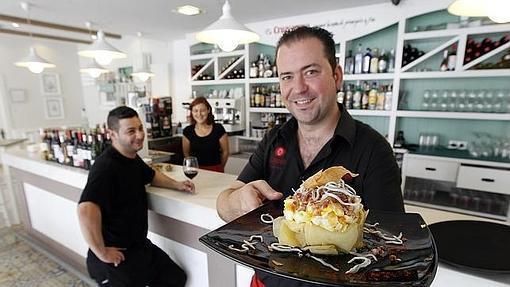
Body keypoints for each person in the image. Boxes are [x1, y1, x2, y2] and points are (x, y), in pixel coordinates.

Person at [216, 26, 404, 287]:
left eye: (311, 72)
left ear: (336, 76)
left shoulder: (374, 150)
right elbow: (224, 201)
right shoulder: (274, 139)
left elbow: (391, 248)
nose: (298, 88)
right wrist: (239, 203)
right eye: (287, 77)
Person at [78, 106, 194, 287]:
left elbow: (151, 175)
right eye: (131, 131)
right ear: (113, 134)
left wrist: (178, 185)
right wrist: (102, 253)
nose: (139, 135)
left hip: (139, 247)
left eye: (140, 128)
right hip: (115, 256)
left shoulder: (131, 157)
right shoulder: (106, 167)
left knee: (174, 278)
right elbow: (85, 210)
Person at [182, 97, 229, 172]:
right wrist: (192, 168)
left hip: (215, 170)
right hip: (195, 171)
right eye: (195, 111)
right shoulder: (188, 131)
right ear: (192, 112)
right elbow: (186, 154)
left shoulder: (218, 129)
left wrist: (220, 168)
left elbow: (225, 152)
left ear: (208, 110)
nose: (199, 114)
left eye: (202, 110)